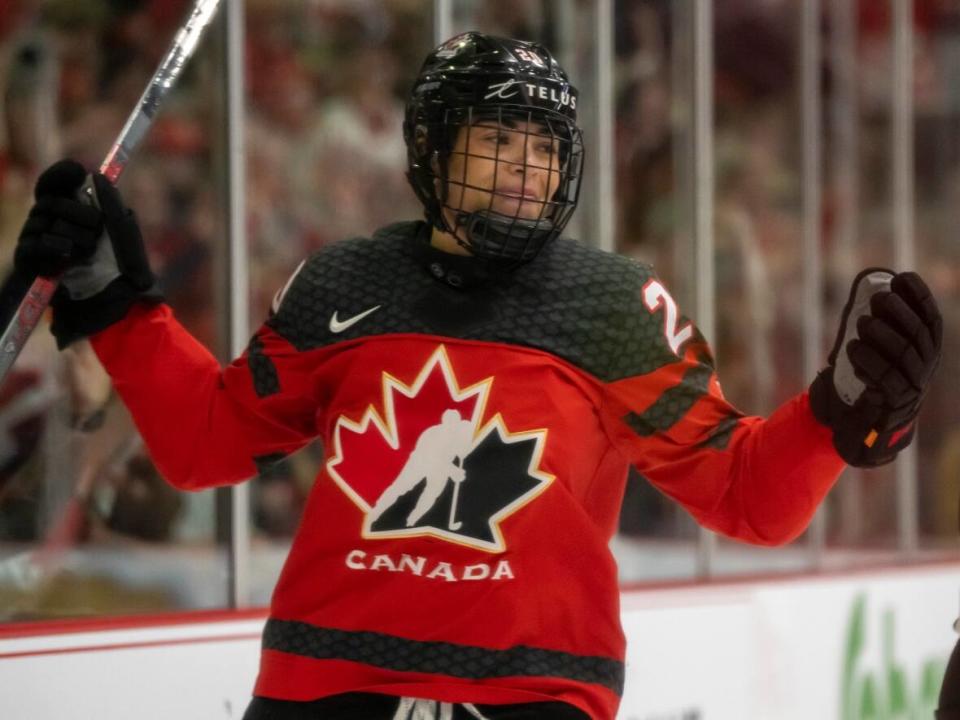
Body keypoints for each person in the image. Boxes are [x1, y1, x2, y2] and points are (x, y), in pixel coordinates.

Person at [11, 32, 942, 720]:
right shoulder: (347, 281)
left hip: (530, 698)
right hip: (327, 687)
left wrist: (838, 419)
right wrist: (119, 309)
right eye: (499, 139)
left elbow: (749, 496)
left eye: (543, 149)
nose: (523, 170)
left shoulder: (614, 306)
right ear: (434, 146)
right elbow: (204, 443)